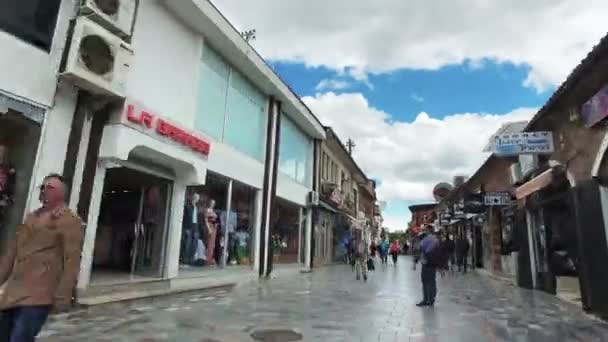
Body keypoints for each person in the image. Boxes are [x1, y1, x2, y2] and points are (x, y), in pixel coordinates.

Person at [0, 174, 83, 341]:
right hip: (13, 292)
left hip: (39, 295)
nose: (44, 190)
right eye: (43, 187)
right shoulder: (31, 217)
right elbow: (11, 252)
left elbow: (71, 260)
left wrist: (63, 296)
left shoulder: (69, 220)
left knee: (19, 338)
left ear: (61, 193)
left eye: (50, 187)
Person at [416, 226, 440, 307]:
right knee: (432, 281)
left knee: (425, 281)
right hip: (433, 264)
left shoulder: (425, 239)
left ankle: (426, 299)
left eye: (425, 230)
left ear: (428, 231)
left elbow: (420, 248)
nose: (424, 231)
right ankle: (432, 299)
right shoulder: (436, 240)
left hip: (426, 263)